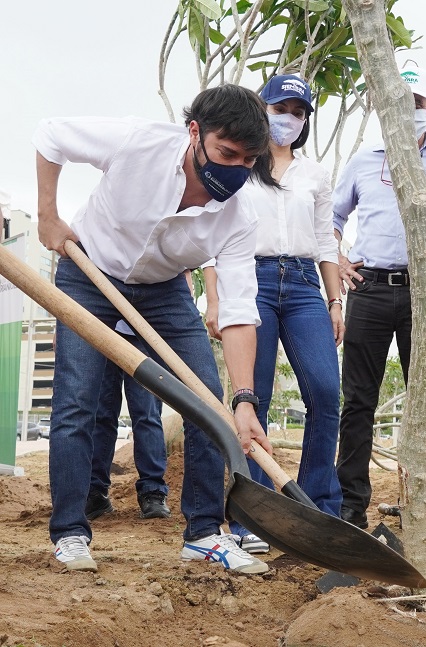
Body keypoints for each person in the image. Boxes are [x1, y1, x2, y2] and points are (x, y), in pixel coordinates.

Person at [34, 84, 273, 574]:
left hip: (165, 290)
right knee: (77, 401)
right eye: (226, 153)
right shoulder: (135, 142)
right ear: (194, 133)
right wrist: (48, 217)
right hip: (88, 273)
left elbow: (238, 310)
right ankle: (71, 533)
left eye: (248, 161)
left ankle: (205, 533)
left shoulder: (240, 215)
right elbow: (49, 136)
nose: (235, 170)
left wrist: (244, 399)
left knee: (207, 401)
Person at [204, 74, 345, 553]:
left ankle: (318, 507)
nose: (289, 118)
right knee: (253, 398)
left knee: (327, 393)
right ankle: (252, 516)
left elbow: (327, 240)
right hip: (251, 279)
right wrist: (215, 299)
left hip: (305, 284)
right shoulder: (238, 164)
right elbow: (213, 232)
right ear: (260, 108)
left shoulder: (315, 173)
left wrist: (334, 300)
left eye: (298, 111)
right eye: (280, 107)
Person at [333, 62, 426, 530]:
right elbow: (330, 219)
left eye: (416, 103)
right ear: (382, 106)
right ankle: (352, 503)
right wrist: (338, 260)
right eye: (399, 102)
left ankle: (420, 500)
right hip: (369, 290)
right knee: (358, 401)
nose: (408, 110)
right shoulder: (362, 159)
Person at [86, 322, 171, 521]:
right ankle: (96, 493)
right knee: (101, 414)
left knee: (147, 413)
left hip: (143, 331)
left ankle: (153, 492)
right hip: (101, 328)